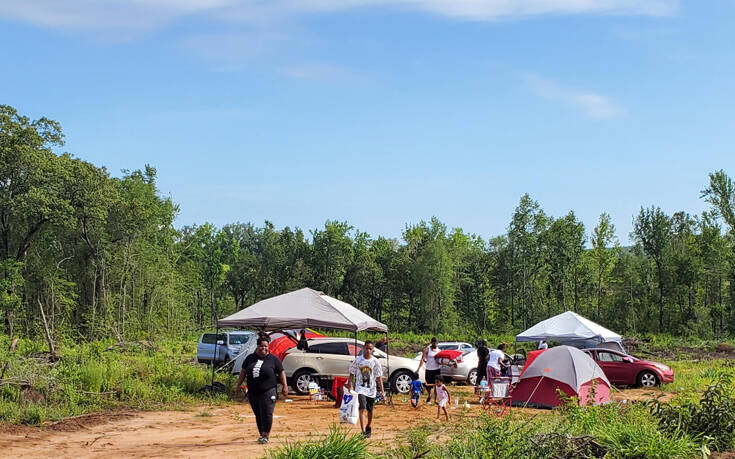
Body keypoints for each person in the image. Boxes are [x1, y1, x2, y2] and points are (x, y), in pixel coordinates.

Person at [236, 337, 288, 444]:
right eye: (261, 346)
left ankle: (266, 435)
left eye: (266, 346)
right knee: (258, 413)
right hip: (253, 392)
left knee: (267, 413)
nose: (263, 348)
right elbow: (243, 372)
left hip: (269, 391)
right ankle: (261, 434)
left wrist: (285, 386)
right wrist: (238, 385)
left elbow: (281, 372)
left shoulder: (273, 359)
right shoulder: (250, 358)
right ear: (257, 346)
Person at [348, 340, 385, 438]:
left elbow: (379, 377)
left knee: (370, 410)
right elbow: (352, 372)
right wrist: (350, 384)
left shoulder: (375, 362)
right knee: (362, 408)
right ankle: (363, 431)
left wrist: (382, 391)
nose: (368, 350)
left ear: (372, 350)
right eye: (367, 348)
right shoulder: (358, 360)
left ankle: (369, 426)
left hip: (371, 389)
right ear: (364, 348)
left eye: (370, 349)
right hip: (360, 388)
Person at [416, 337, 441, 404]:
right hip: (429, 370)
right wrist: (418, 368)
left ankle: (435, 400)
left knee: (436, 385)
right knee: (428, 385)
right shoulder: (427, 350)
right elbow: (422, 359)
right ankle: (429, 396)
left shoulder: (439, 350)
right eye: (434, 343)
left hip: (437, 369)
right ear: (431, 343)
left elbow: (442, 360)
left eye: (436, 343)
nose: (435, 344)